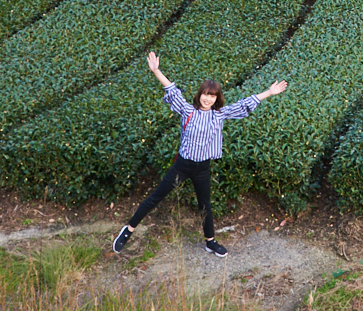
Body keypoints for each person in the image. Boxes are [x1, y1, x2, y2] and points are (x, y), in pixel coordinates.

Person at [112, 51, 287, 256]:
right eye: (205, 94)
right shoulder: (188, 111)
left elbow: (244, 105)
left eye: (212, 96)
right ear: (200, 95)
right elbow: (172, 91)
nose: (208, 99)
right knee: (155, 198)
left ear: (216, 98)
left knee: (205, 205)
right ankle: (128, 230)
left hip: (202, 167)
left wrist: (268, 92)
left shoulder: (219, 115)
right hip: (183, 165)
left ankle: (210, 241)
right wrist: (157, 71)